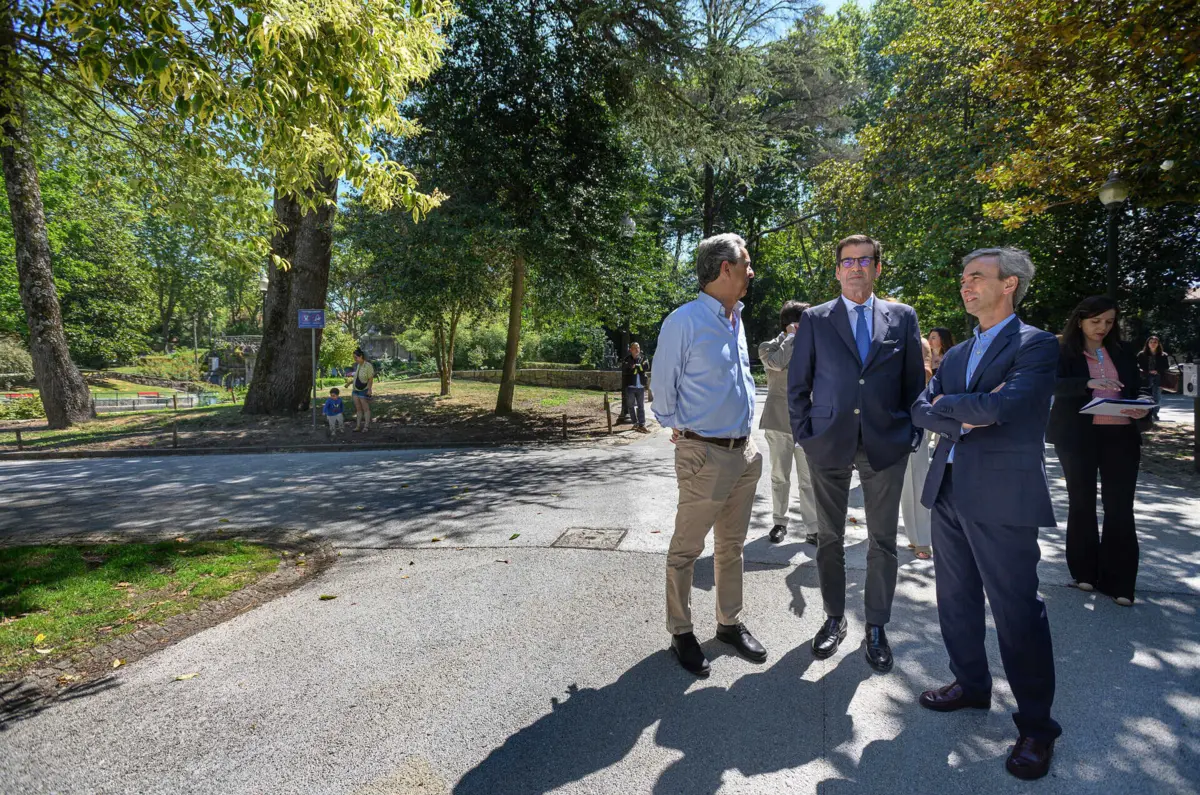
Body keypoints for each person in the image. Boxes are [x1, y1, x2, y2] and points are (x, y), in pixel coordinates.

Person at [911, 246, 1061, 781]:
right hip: (948, 489)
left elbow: (1005, 408)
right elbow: (919, 407)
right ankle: (971, 686)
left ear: (1011, 284)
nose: (966, 285)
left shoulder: (1037, 345)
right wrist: (963, 413)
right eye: (963, 278)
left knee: (1017, 611)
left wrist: (954, 409)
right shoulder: (954, 355)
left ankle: (1037, 728)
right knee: (954, 599)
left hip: (1002, 497)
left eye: (978, 277)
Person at [787, 234, 924, 673]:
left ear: (878, 268)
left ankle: (877, 626)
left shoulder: (902, 317)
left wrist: (910, 432)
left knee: (882, 542)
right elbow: (798, 385)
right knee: (829, 538)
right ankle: (833, 617)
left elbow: (912, 384)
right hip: (827, 441)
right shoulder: (815, 319)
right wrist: (805, 433)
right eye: (847, 261)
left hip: (885, 444)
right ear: (837, 270)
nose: (856, 268)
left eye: (865, 260)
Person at [652, 233, 767, 677]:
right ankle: (681, 631)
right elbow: (663, 387)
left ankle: (728, 623)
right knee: (687, 549)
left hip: (745, 452)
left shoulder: (735, 318)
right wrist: (683, 428)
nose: (751, 271)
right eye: (747, 263)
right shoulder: (684, 321)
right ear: (725, 268)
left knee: (731, 546)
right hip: (706, 453)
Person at [1047, 296, 1150, 607]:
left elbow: (1139, 389)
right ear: (1080, 320)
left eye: (1108, 321)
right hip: (1077, 437)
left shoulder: (1124, 351)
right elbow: (1049, 384)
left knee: (1120, 507)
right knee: (1082, 504)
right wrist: (1088, 382)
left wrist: (1143, 408)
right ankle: (1084, 573)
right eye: (1096, 321)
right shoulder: (1062, 350)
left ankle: (1120, 583)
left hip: (1121, 437)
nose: (1102, 327)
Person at [759, 301, 819, 545]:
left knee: (809, 479)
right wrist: (791, 337)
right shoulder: (768, 347)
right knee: (779, 476)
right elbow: (778, 362)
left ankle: (813, 528)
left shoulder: (813, 346)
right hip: (777, 421)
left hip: (807, 422)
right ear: (792, 325)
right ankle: (779, 522)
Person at [899, 334, 934, 559]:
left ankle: (922, 539)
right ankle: (908, 536)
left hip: (914, 415)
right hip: (886, 417)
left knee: (918, 478)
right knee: (898, 483)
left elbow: (927, 374)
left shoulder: (918, 342)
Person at [620, 342, 652, 433]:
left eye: (638, 347)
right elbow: (625, 369)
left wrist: (637, 368)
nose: (637, 349)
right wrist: (634, 368)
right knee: (631, 406)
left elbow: (646, 367)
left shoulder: (643, 358)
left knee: (641, 406)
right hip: (630, 386)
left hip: (640, 386)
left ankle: (642, 424)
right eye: (635, 348)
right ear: (631, 349)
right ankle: (635, 423)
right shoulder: (627, 359)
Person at [1137, 334, 1169, 413]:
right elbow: (1137, 366)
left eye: (1155, 342)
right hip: (1145, 378)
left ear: (1158, 344)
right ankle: (1147, 413)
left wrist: (1157, 370)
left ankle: (1155, 413)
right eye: (1151, 342)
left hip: (1158, 378)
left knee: (1157, 396)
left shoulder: (1163, 355)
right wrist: (1146, 371)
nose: (1153, 344)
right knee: (1145, 395)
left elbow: (1166, 366)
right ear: (1148, 344)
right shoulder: (1141, 354)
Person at [346, 349, 374, 432]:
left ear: (361, 356)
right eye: (353, 357)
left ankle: (366, 426)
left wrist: (369, 389)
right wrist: (349, 383)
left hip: (363, 390)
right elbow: (357, 377)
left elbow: (370, 379)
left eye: (355, 357)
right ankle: (358, 426)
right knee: (358, 409)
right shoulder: (358, 365)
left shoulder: (368, 366)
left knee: (365, 408)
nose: (354, 359)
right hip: (355, 390)